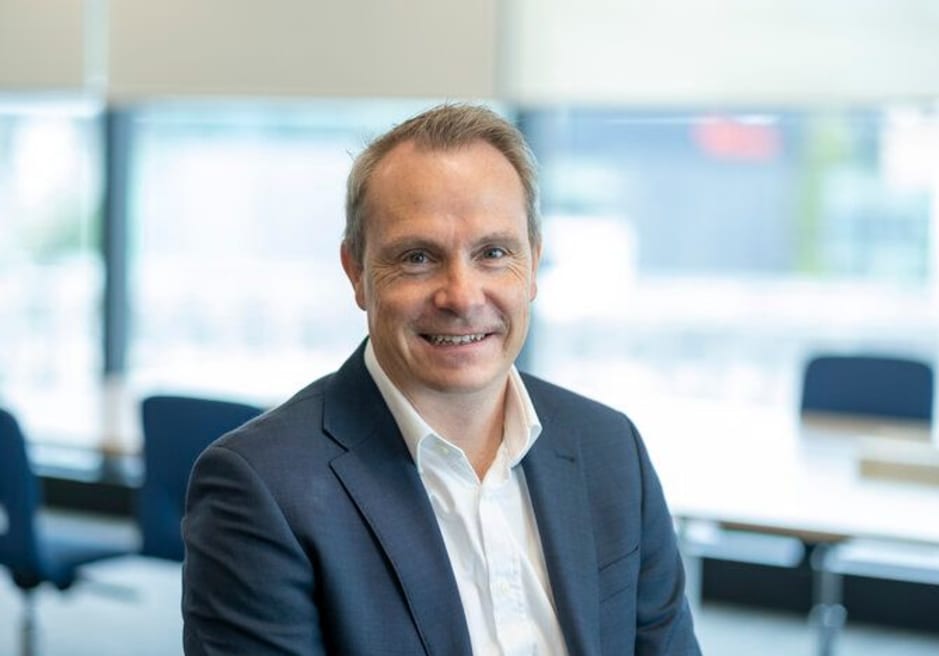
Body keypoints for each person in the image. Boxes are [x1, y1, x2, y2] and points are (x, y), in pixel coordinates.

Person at [181, 103, 702, 656]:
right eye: (418, 258)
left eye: (494, 253)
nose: (461, 296)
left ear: (534, 264)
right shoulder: (263, 488)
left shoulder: (607, 447)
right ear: (356, 272)